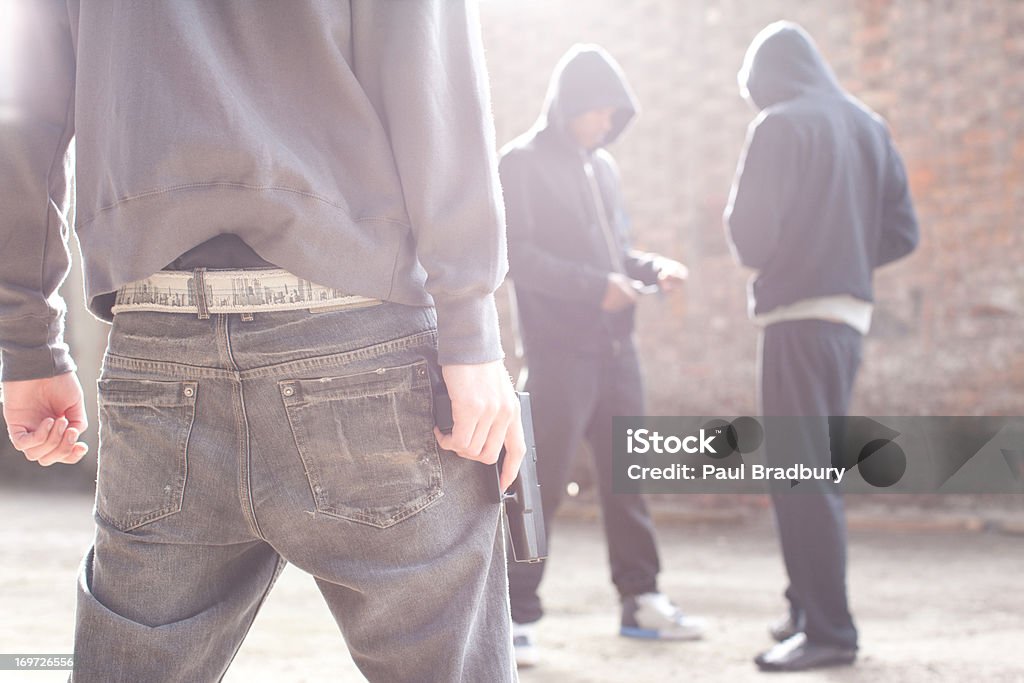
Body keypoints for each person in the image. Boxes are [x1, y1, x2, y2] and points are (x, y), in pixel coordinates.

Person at [0, 2, 525, 681]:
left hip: (159, 340)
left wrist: (28, 344)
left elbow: (22, 112)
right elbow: (436, 78)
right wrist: (471, 331)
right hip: (357, 332)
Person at [498, 43, 704, 667]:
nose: (605, 125)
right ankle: (514, 618)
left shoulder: (603, 167)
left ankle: (641, 601)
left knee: (629, 481)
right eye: (597, 112)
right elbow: (517, 257)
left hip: (619, 352)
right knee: (538, 489)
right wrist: (596, 288)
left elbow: (614, 253)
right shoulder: (521, 163)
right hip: (560, 355)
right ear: (569, 105)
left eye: (616, 116)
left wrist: (649, 267)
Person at [724, 21, 919, 672]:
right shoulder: (870, 125)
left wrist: (799, 258)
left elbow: (750, 237)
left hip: (797, 316)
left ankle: (831, 632)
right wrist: (846, 257)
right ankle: (807, 608)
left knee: (801, 475)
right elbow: (903, 233)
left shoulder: (779, 125)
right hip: (847, 319)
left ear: (769, 81)